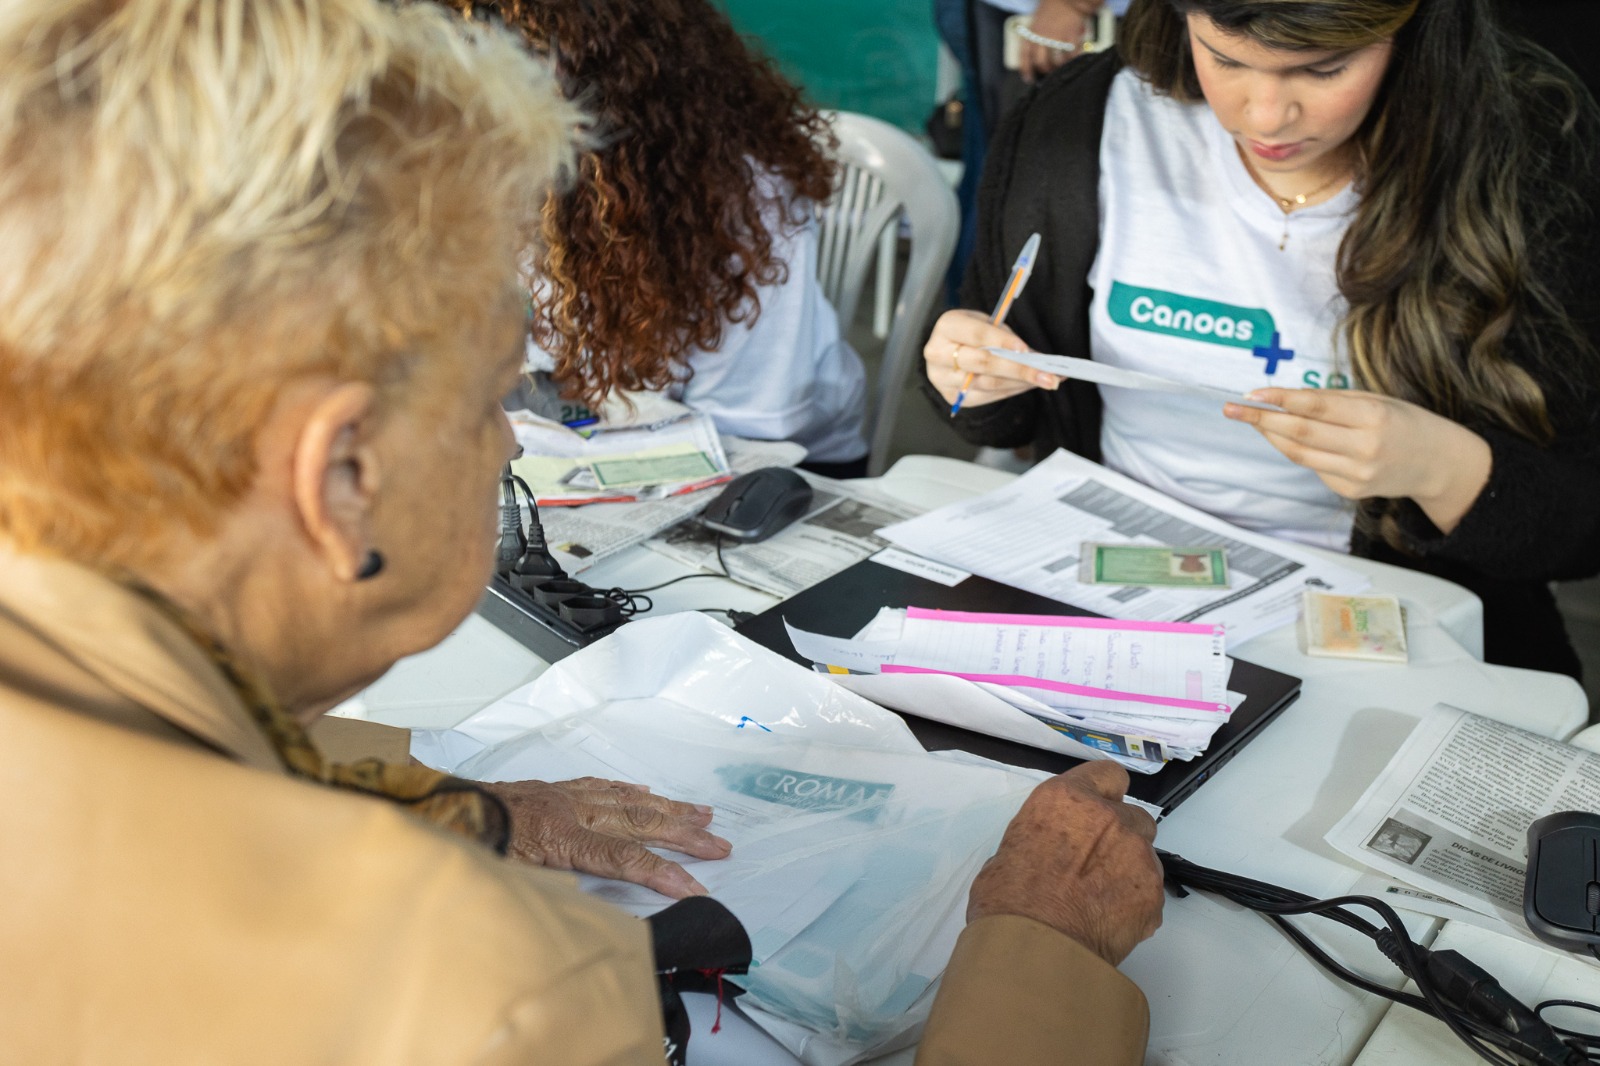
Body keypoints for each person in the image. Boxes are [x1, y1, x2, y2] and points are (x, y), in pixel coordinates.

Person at [0, 1, 1164, 1061]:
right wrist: (1035, 948)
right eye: (492, 395)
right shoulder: (492, 997)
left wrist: (475, 809)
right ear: (341, 472)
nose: (512, 444)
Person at [923, 0, 1600, 677]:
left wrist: (1439, 467)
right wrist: (970, 376)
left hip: (1395, 629)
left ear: (1413, 37)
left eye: (1323, 70)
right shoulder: (1077, 121)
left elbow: (1579, 530)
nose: (1265, 116)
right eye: (1226, 60)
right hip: (1111, 596)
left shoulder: (1528, 153)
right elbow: (1003, 412)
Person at [475, 0, 871, 478]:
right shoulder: (482, 167)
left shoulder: (743, 200)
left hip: (772, 463)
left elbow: (752, 429)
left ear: (611, 81)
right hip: (582, 435)